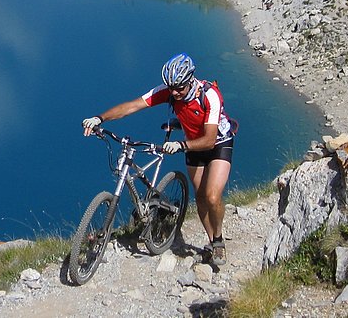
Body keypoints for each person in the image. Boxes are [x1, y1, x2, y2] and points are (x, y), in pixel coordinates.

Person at [81, 54, 237, 266]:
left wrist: (181, 145)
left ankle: (218, 239)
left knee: (211, 196)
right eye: (170, 87)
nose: (174, 92)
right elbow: (132, 106)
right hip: (192, 144)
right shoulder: (170, 92)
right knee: (200, 197)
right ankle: (210, 241)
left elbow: (209, 140)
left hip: (218, 143)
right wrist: (99, 118)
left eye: (179, 88)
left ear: (190, 80)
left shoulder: (210, 96)